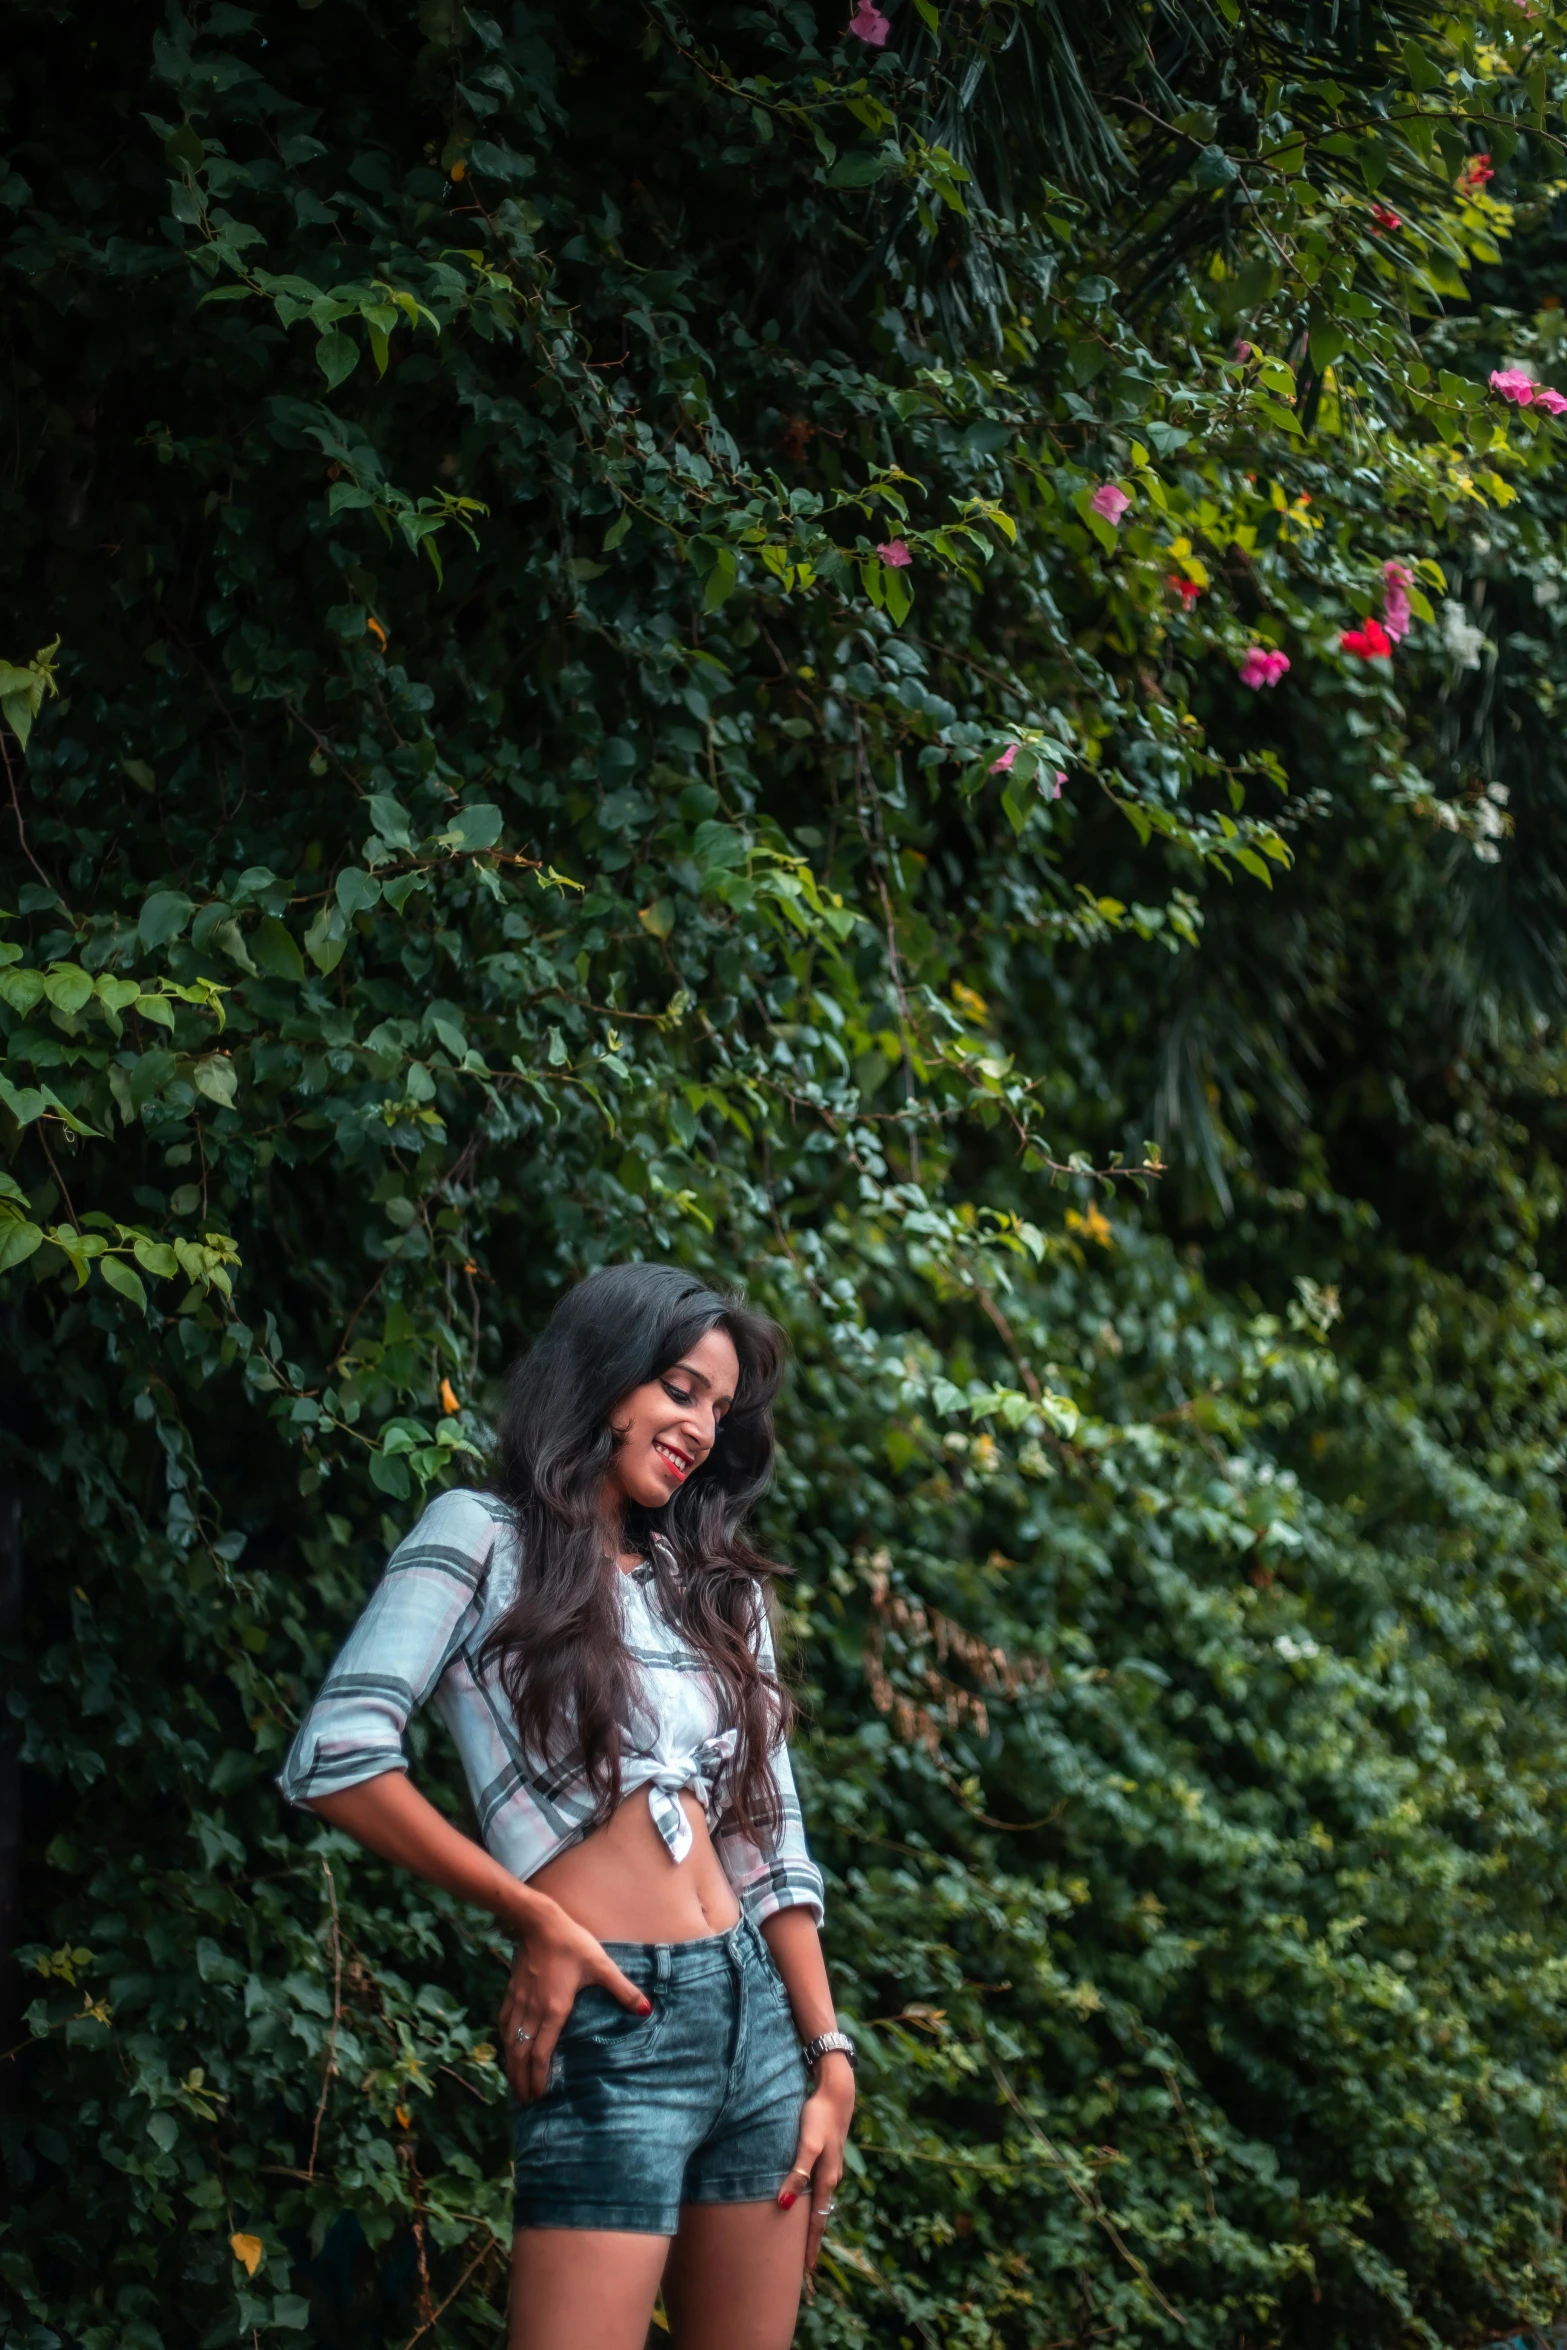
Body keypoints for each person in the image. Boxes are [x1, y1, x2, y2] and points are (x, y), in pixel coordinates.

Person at [278, 1263, 855, 2350]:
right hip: (615, 2012)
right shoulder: (480, 1536)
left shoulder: (717, 1586)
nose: (698, 1427)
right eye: (681, 1389)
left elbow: (768, 1837)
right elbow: (339, 1753)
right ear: (606, 1372)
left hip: (756, 2023)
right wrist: (535, 1917)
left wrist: (829, 2051)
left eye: (719, 1409)